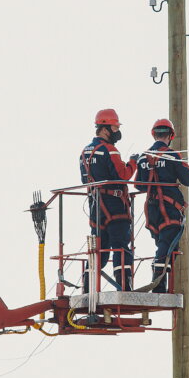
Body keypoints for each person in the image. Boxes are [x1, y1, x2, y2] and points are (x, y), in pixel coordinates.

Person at [134, 118, 189, 293]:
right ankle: (158, 283)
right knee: (167, 245)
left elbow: (138, 185)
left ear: (154, 134)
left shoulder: (142, 157)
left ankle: (160, 282)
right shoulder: (173, 155)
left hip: (152, 210)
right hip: (169, 208)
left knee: (165, 245)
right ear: (170, 136)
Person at [79, 108, 138, 291]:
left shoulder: (84, 153)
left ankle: (88, 286)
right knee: (120, 245)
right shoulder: (110, 150)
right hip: (115, 208)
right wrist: (133, 163)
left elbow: (84, 179)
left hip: (96, 207)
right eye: (114, 128)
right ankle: (124, 285)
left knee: (99, 249)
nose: (117, 132)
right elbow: (123, 175)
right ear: (104, 128)